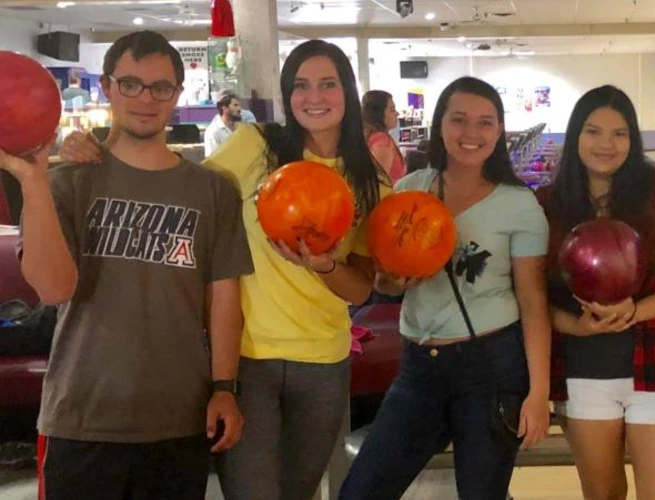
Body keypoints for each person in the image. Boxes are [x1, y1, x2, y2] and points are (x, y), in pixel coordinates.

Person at [59, 39, 385, 500]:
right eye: (300, 86)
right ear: (287, 95)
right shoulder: (258, 145)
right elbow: (178, 186)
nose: (315, 97)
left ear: (348, 92)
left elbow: (359, 291)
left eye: (328, 84)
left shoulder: (371, 180)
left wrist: (323, 265)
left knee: (297, 492)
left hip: (323, 361)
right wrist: (97, 147)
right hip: (247, 358)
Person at [6, 31, 252, 500]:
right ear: (107, 86)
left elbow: (224, 298)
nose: (146, 98)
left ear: (178, 94)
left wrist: (225, 387)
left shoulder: (213, 190)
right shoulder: (65, 184)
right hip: (83, 416)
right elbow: (55, 289)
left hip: (178, 417)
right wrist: (33, 178)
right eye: (132, 84)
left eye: (161, 87)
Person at [339, 76, 551, 500]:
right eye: (459, 119)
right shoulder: (408, 190)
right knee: (360, 492)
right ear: (440, 125)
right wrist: (393, 280)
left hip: (490, 369)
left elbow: (533, 302)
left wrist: (538, 394)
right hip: (419, 368)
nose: (471, 133)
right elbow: (384, 282)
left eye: (485, 122)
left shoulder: (518, 204)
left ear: (498, 130)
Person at [538, 85, 655, 500]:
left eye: (619, 134)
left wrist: (636, 310)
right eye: (593, 131)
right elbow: (534, 298)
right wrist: (575, 327)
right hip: (582, 376)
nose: (606, 144)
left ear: (633, 140)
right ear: (575, 135)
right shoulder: (547, 204)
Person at [362, 89, 406, 183]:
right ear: (378, 113)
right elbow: (380, 183)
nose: (397, 114)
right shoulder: (381, 140)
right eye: (392, 110)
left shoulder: (369, 137)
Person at [204, 92, 242, 156]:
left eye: (239, 105)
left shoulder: (241, 128)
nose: (239, 109)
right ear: (224, 108)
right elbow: (212, 159)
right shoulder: (213, 131)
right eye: (235, 105)